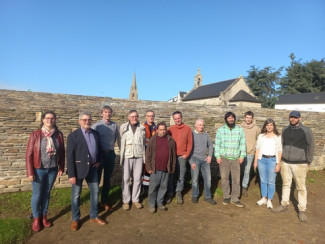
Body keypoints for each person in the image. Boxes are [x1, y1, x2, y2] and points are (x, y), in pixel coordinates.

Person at [26, 111, 65, 232]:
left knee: (47, 193)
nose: (50, 120)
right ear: (43, 120)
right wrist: (30, 172)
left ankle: (44, 216)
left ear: (55, 120)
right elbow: (29, 154)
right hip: (38, 169)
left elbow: (62, 152)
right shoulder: (36, 134)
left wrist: (61, 167)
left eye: (52, 118)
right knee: (37, 194)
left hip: (52, 169)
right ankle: (36, 218)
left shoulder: (58, 135)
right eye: (47, 118)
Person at [272, 111, 315, 222]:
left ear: (299, 118)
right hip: (285, 162)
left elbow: (311, 146)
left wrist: (309, 160)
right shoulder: (285, 130)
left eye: (295, 117)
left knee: (301, 187)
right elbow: (282, 145)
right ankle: (284, 205)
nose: (293, 119)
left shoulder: (306, 131)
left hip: (300, 163)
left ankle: (302, 210)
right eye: (291, 117)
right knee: (286, 184)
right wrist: (281, 159)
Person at [67, 111, 106, 231]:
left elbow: (99, 149)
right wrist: (71, 174)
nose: (87, 121)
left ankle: (94, 216)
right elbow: (70, 156)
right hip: (78, 170)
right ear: (79, 121)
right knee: (76, 196)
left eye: (89, 119)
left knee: (95, 193)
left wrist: (99, 161)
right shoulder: (73, 136)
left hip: (93, 168)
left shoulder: (95, 133)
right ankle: (75, 219)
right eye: (84, 120)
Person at [92, 105, 120, 211]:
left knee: (107, 180)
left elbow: (117, 139)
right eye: (105, 112)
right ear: (101, 114)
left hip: (110, 155)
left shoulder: (114, 125)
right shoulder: (96, 126)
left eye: (109, 112)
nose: (107, 114)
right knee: (97, 180)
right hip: (99, 155)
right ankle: (94, 203)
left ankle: (104, 202)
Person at [215, 112, 246, 208]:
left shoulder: (240, 129)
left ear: (234, 119)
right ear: (226, 119)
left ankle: (235, 198)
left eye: (232, 118)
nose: (231, 119)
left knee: (236, 179)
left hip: (236, 159)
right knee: (224, 179)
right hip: (224, 158)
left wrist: (242, 156)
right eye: (229, 118)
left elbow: (242, 144)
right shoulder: (221, 130)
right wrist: (217, 156)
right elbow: (217, 144)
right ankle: (226, 196)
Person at [146, 122, 176, 213]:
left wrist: (172, 168)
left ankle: (160, 203)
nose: (163, 131)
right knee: (153, 187)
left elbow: (173, 156)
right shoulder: (152, 140)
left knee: (163, 187)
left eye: (164, 130)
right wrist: (149, 167)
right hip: (155, 168)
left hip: (166, 168)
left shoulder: (171, 140)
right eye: (161, 130)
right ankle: (151, 204)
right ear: (157, 130)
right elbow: (148, 155)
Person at [120, 109, 146, 210]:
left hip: (139, 156)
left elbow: (143, 144)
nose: (134, 118)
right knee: (126, 179)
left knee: (137, 179)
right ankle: (126, 201)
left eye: (136, 116)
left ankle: (135, 199)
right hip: (127, 156)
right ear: (128, 117)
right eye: (132, 116)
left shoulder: (142, 128)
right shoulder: (123, 127)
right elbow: (120, 140)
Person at [253, 119, 282, 209]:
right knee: (263, 180)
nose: (269, 127)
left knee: (271, 181)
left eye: (271, 125)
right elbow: (257, 149)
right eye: (267, 125)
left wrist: (278, 164)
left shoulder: (278, 137)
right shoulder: (261, 136)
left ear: (274, 126)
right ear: (265, 126)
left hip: (272, 160)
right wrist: (255, 161)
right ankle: (264, 198)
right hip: (262, 160)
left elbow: (280, 151)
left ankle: (270, 199)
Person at [166, 111, 193, 204]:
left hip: (182, 156)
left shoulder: (188, 129)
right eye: (175, 118)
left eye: (179, 118)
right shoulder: (170, 129)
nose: (177, 120)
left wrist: (187, 154)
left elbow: (190, 143)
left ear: (181, 118)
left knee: (181, 175)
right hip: (172, 156)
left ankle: (178, 192)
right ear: (173, 119)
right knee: (170, 175)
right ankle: (170, 192)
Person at [189, 119, 216, 204]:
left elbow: (211, 146)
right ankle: (194, 195)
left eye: (202, 125)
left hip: (205, 160)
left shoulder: (206, 134)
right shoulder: (192, 135)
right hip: (195, 159)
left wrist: (210, 156)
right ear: (195, 125)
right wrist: (191, 162)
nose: (201, 126)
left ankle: (208, 196)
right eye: (199, 125)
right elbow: (188, 149)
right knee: (195, 179)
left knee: (208, 179)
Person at [240, 111, 260, 197]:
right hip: (240, 153)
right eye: (247, 117)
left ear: (252, 119)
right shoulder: (239, 127)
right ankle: (236, 186)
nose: (248, 119)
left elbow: (259, 140)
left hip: (250, 153)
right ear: (245, 118)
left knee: (247, 171)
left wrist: (254, 148)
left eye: (250, 118)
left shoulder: (256, 129)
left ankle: (244, 187)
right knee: (238, 170)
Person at [142, 110, 157, 189]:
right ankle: (141, 188)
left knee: (149, 170)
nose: (151, 117)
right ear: (146, 117)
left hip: (153, 153)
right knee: (142, 171)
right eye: (149, 116)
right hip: (143, 152)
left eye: (152, 116)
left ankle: (147, 188)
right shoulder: (141, 127)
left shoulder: (157, 128)